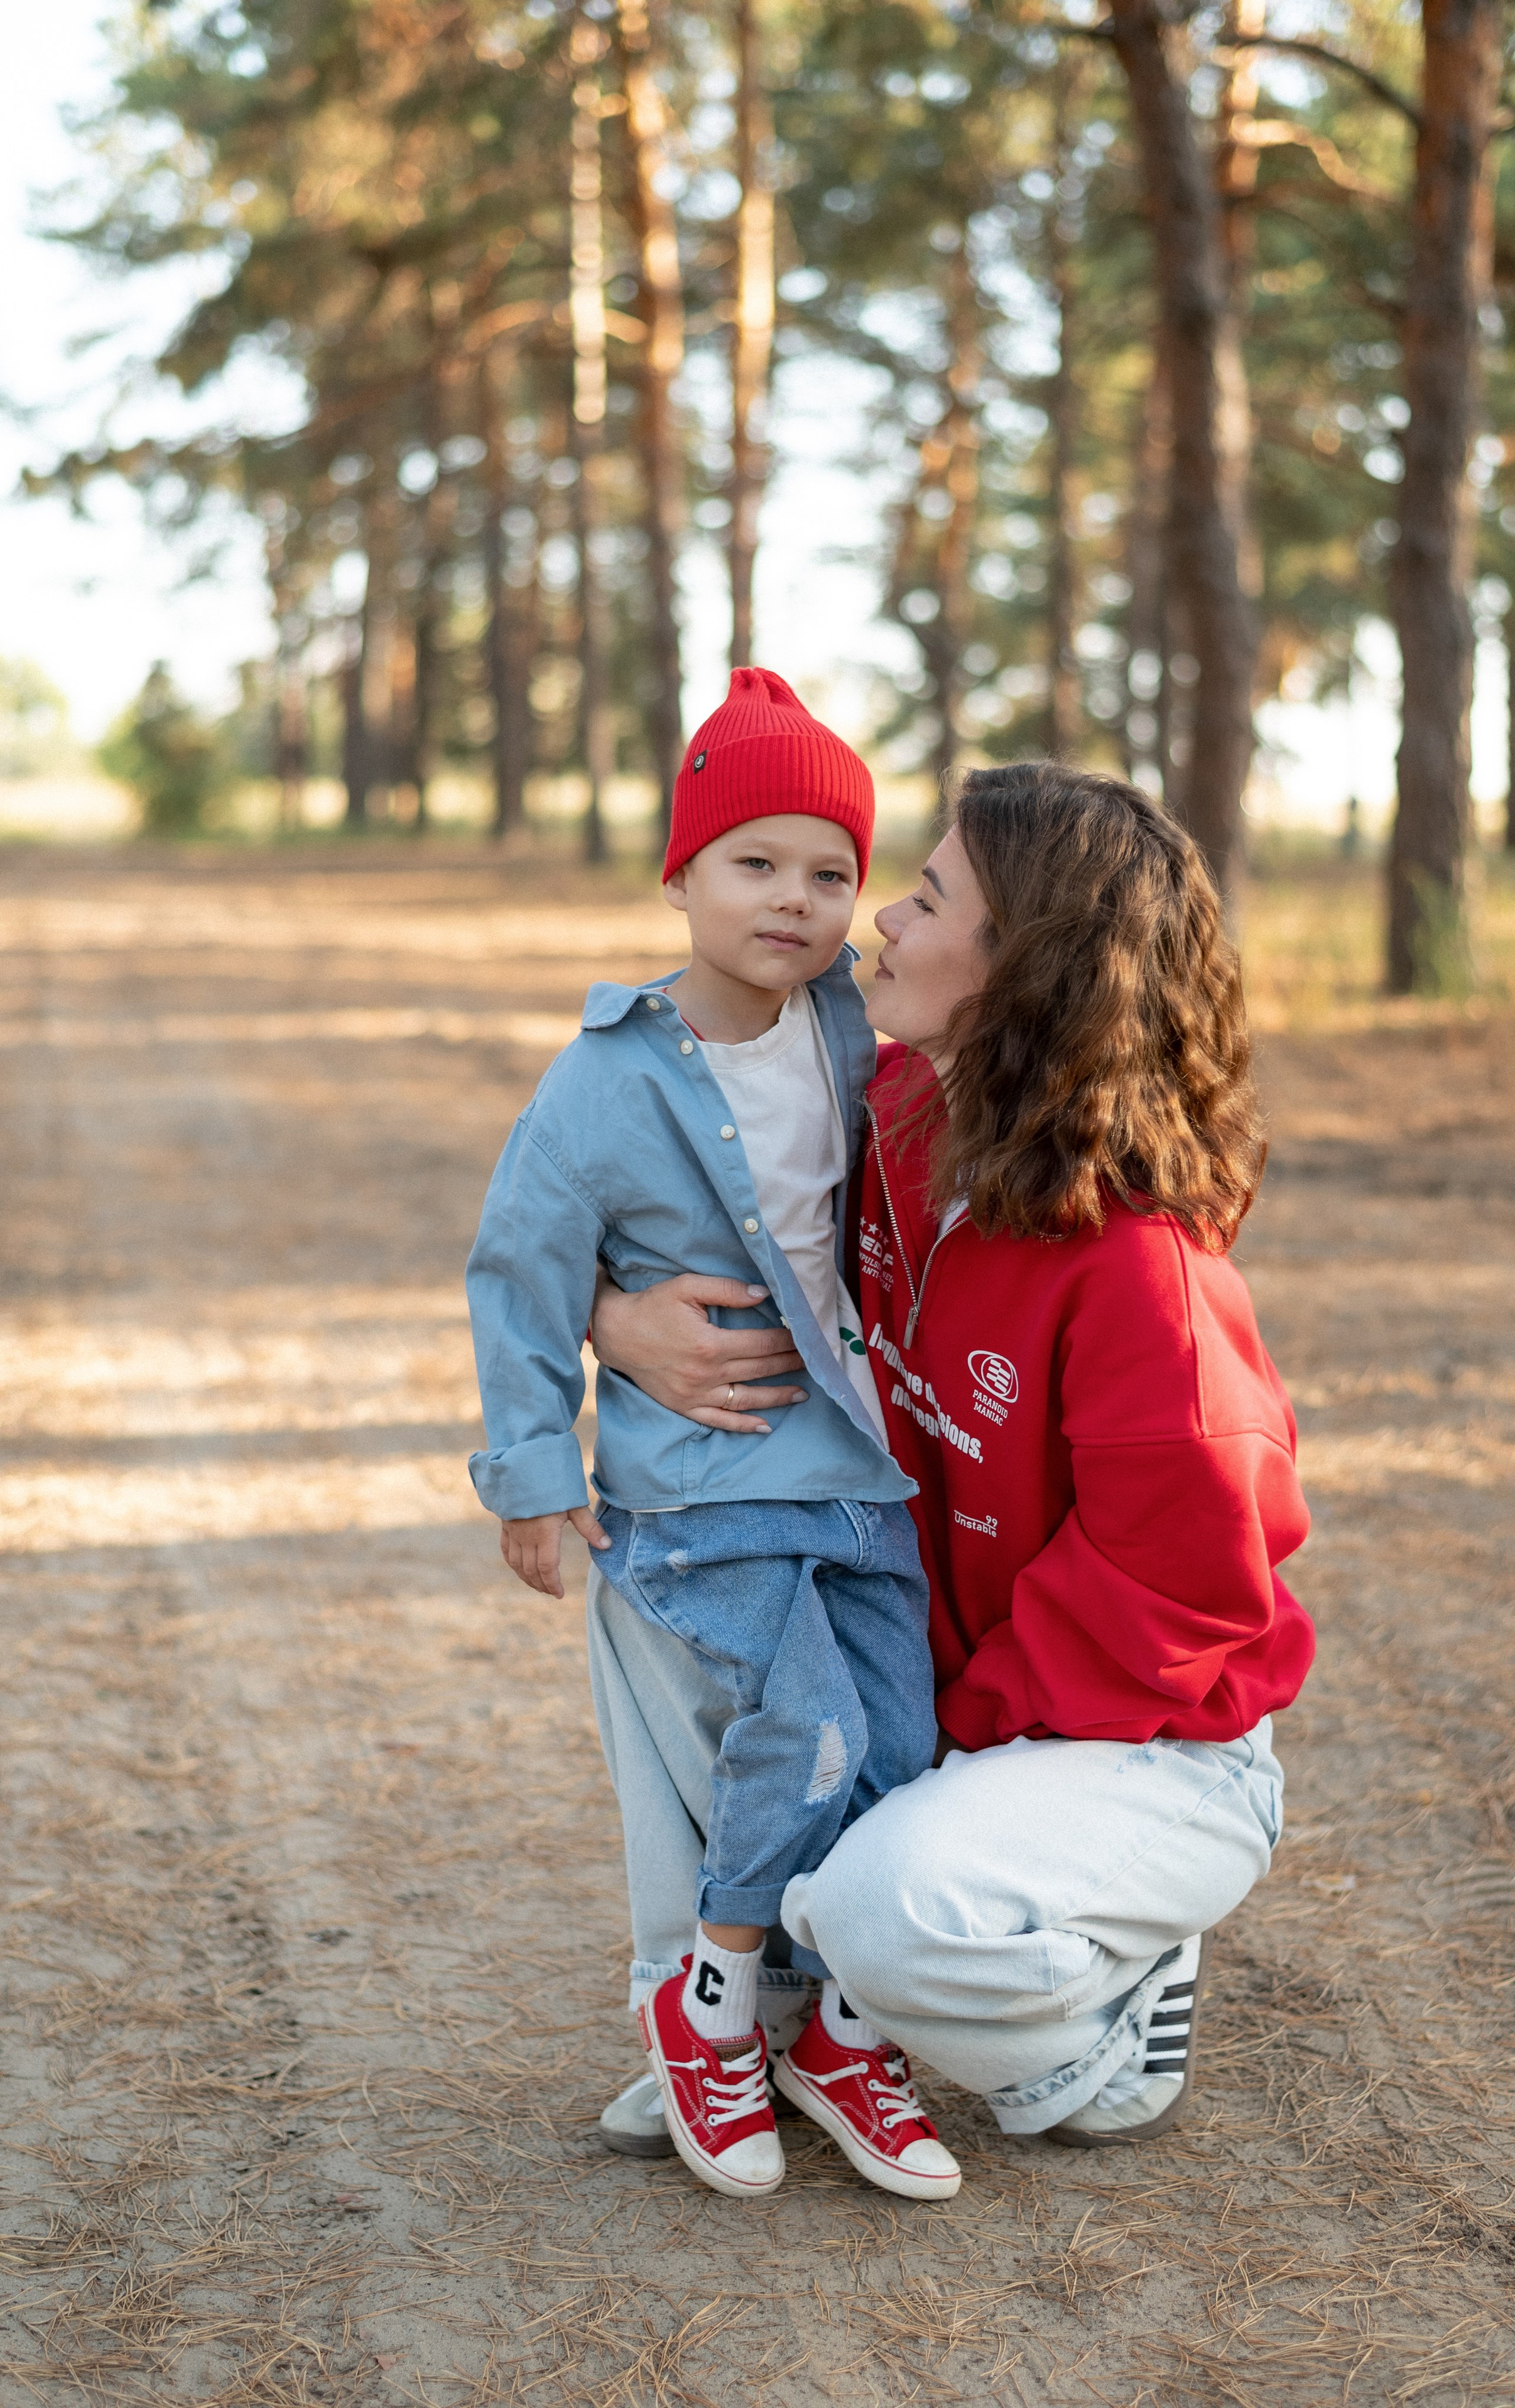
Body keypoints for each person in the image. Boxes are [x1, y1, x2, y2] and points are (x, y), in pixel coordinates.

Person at [589, 761, 1315, 2156]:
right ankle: (725, 2025)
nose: (881, 921)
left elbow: (1186, 1600)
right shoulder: (898, 1115)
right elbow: (624, 1178)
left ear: (1021, 968)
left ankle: (1101, 2008)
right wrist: (610, 1321)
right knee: (657, 1574)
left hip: (1140, 1739)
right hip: (943, 1678)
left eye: (926, 901)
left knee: (882, 1905)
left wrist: (929, 1742)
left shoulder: (1140, 1275)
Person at [465, 667, 962, 2203]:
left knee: (899, 1748)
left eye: (830, 873)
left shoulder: (852, 1037)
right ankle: (710, 1997)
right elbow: (519, 1269)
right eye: (754, 862)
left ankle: (842, 2032)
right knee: (801, 1730)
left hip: (856, 1474)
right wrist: (533, 1475)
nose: (794, 901)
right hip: (703, 1487)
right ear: (678, 876)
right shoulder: (605, 1078)